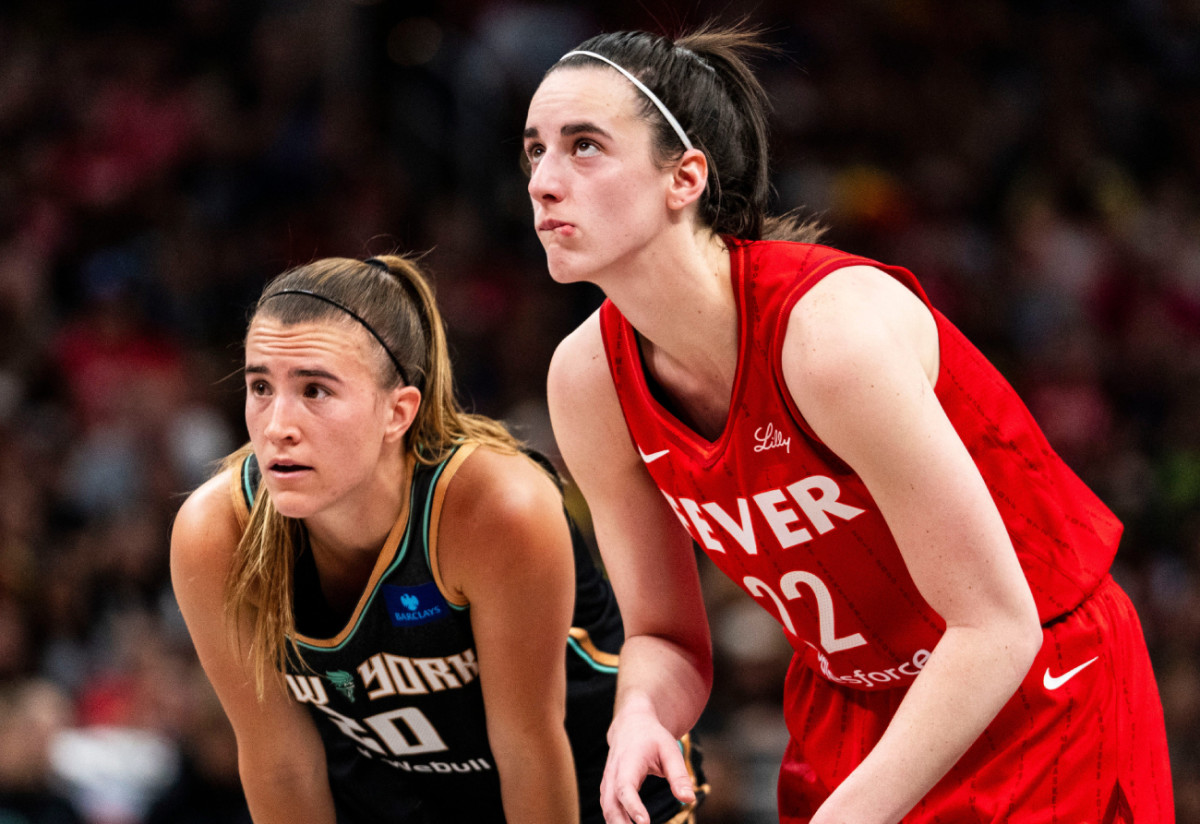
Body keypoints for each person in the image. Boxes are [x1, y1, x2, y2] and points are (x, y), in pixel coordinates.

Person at [524, 25, 1174, 824]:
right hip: (852, 702)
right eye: (535, 151)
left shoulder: (830, 338)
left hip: (1038, 682)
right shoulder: (586, 380)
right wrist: (641, 715)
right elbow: (664, 635)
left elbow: (994, 625)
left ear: (683, 177)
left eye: (584, 146)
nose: (544, 182)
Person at [170, 254, 706, 824]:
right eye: (260, 386)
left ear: (398, 412)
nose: (277, 425)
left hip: (590, 789)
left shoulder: (496, 509)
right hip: (402, 801)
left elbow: (527, 752)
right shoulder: (216, 532)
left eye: (315, 390)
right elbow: (282, 763)